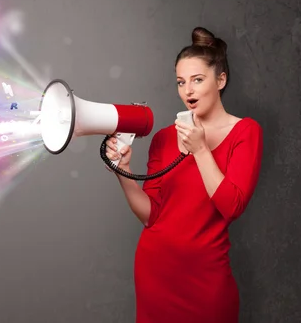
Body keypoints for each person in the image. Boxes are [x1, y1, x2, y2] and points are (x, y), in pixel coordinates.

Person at [105, 27, 264, 322]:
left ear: (221, 80)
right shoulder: (164, 138)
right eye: (181, 82)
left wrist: (201, 151)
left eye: (197, 80)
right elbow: (150, 216)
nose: (187, 91)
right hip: (155, 275)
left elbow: (232, 206)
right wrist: (123, 172)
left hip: (206, 281)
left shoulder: (245, 132)